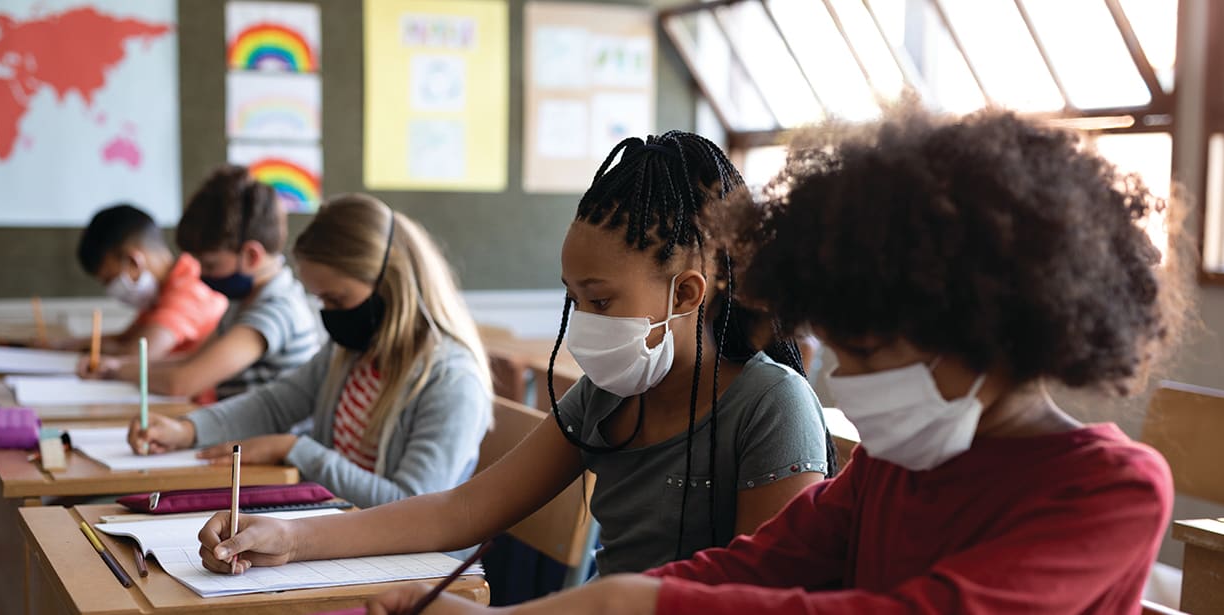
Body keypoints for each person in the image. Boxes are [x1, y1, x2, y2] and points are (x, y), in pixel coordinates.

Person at [356, 108, 1186, 614]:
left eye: (865, 352)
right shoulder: (890, 468)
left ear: (981, 332)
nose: (843, 381)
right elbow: (750, 568)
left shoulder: (1111, 489)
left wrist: (620, 600)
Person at [195, 131, 835, 577]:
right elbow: (463, 509)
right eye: (574, 300)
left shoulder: (769, 405)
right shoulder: (607, 395)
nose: (584, 323)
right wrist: (289, 537)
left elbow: (757, 594)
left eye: (601, 301)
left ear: (687, 294)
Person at [128, 195, 493, 509]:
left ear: (390, 284)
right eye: (322, 300)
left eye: (337, 299)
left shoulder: (452, 381)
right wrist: (187, 430)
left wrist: (295, 449)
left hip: (407, 556)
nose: (328, 313)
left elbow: (412, 506)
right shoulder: (352, 352)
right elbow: (275, 403)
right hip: (337, 528)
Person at [83, 165, 321, 399]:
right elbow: (191, 360)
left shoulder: (275, 310)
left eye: (210, 265)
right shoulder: (245, 300)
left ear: (251, 256)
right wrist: (117, 367)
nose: (201, 275)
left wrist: (118, 371)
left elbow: (182, 383)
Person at [59, 203, 226, 358]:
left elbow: (139, 356)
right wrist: (62, 345)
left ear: (133, 261)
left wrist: (90, 347)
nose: (109, 289)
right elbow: (127, 338)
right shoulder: (160, 292)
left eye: (110, 279)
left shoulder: (191, 290)